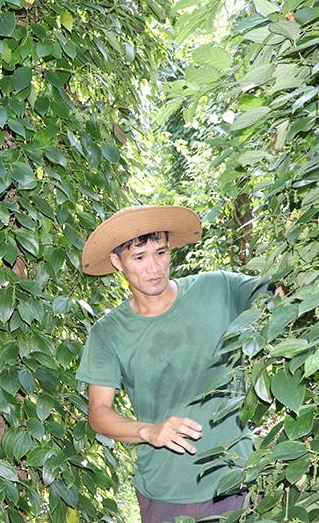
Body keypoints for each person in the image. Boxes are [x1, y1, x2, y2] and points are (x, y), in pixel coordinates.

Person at [76, 205, 277, 523]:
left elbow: (285, 293)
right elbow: (99, 413)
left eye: (161, 252)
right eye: (139, 258)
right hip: (165, 495)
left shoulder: (219, 288)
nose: (154, 267)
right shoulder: (108, 332)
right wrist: (149, 430)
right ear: (117, 262)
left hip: (238, 481)